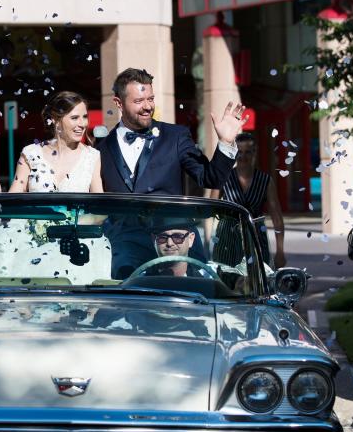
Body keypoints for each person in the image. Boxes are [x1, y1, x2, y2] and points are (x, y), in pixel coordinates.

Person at [94, 68, 244, 277]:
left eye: (151, 99)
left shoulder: (175, 136)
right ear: (119, 103)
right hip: (124, 253)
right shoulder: (101, 148)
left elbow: (210, 177)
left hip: (177, 244)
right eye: (139, 101)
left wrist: (226, 143)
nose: (148, 107)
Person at [0, 91, 111, 283]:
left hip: (73, 241)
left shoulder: (92, 156)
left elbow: (100, 210)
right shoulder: (30, 153)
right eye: (75, 118)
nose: (83, 124)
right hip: (27, 239)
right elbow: (13, 205)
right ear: (56, 120)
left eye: (85, 117)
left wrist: (74, 226)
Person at [205, 132, 287, 269]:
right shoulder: (223, 177)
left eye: (248, 152)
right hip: (227, 241)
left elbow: (277, 218)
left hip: (256, 240)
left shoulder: (265, 181)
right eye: (239, 152)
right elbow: (211, 209)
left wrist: (280, 251)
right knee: (227, 285)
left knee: (259, 286)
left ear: (254, 153)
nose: (243, 156)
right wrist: (207, 245)